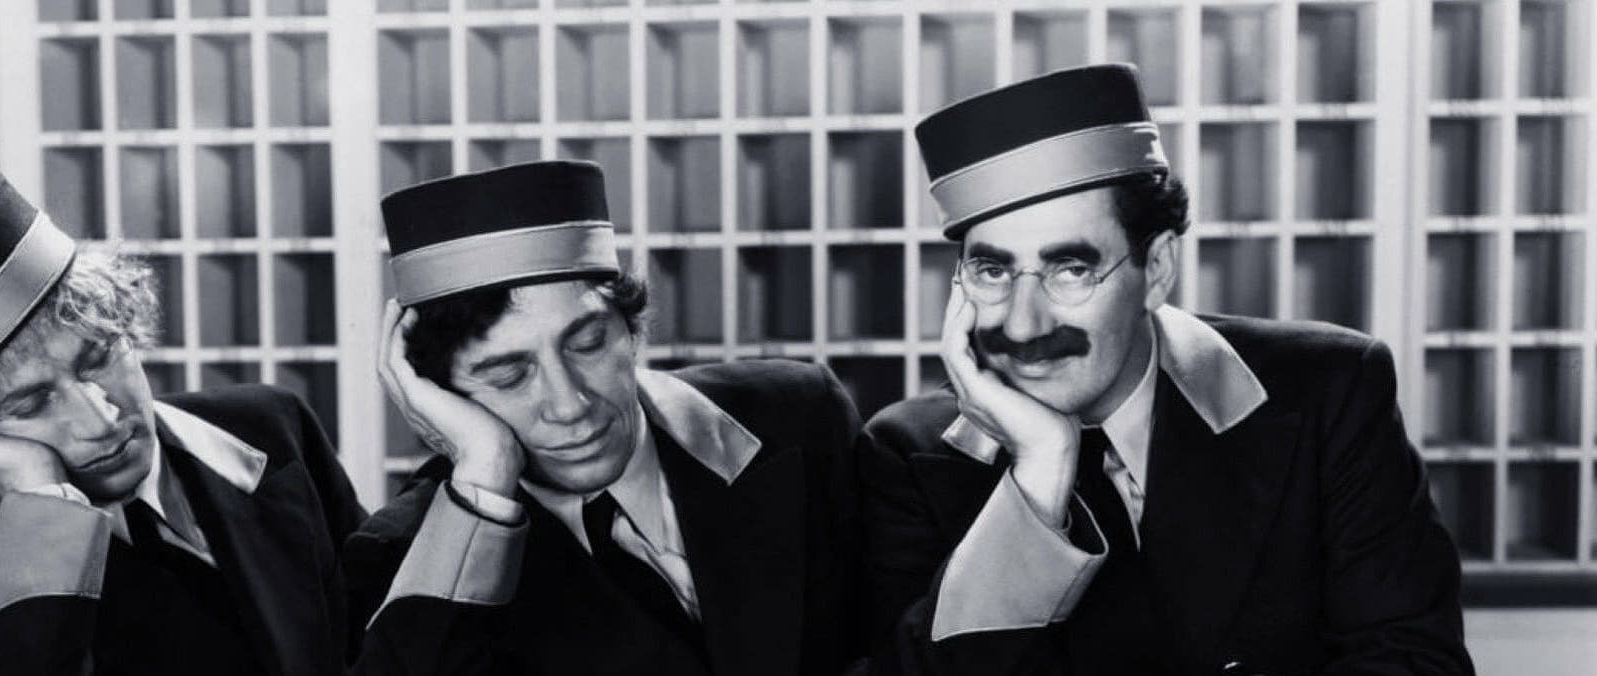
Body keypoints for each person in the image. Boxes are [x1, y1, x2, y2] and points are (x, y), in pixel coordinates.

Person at [860, 64, 1473, 675]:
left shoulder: (1328, 393)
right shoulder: (907, 456)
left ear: (1156, 269)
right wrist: (1038, 481)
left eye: (1071, 269)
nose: (1024, 326)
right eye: (993, 271)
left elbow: (1416, 661)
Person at [0, 172, 423, 675]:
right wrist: (38, 497)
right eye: (31, 404)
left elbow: (388, 637)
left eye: (98, 357)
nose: (100, 419)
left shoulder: (270, 427)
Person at [345, 160, 870, 675]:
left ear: (630, 327)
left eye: (589, 343)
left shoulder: (800, 416)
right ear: (442, 397)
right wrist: (487, 469)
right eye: (509, 376)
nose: (570, 405)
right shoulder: (408, 553)